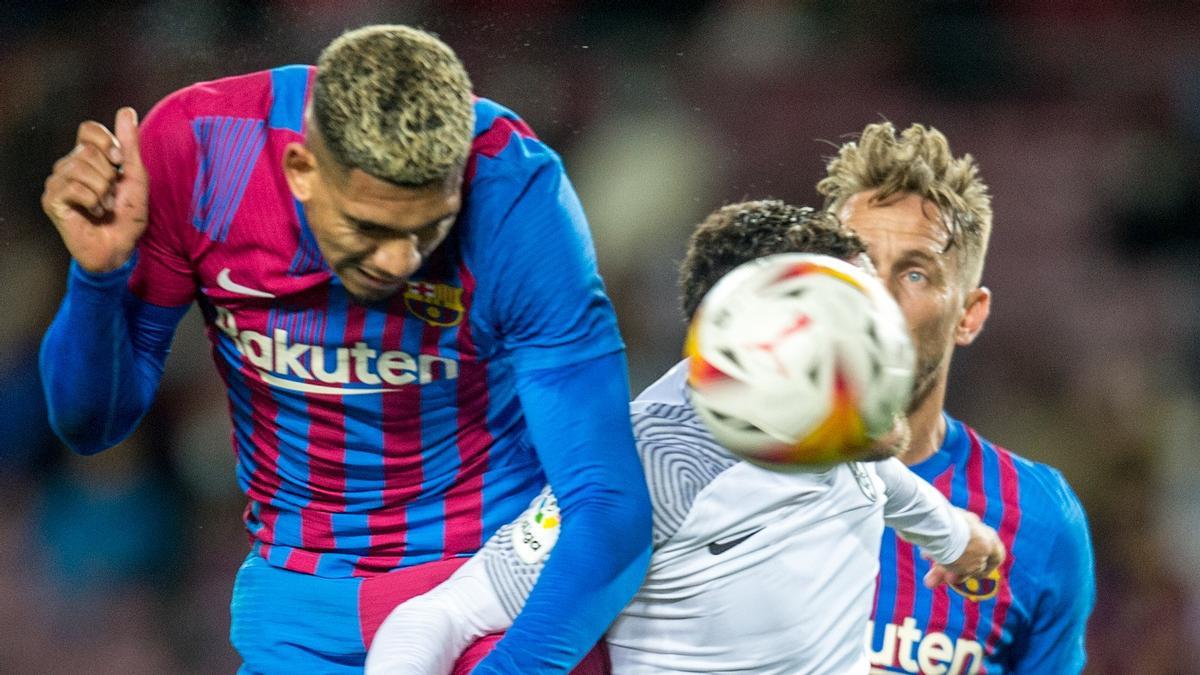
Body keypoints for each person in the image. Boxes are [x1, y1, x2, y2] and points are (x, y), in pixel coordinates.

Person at [38, 24, 651, 674]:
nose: (398, 260)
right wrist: (97, 280)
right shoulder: (200, 153)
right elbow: (92, 424)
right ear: (301, 168)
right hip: (300, 611)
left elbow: (607, 503)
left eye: (427, 227)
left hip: (491, 591)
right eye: (369, 226)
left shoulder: (514, 194)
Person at [364, 200, 1006, 675]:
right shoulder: (654, 470)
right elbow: (439, 615)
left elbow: (877, 480)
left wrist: (957, 537)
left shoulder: (833, 427)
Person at [817, 122, 1096, 674]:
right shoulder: (723, 475)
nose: (877, 298)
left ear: (969, 315)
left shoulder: (1039, 521)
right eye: (857, 265)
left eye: (915, 274)